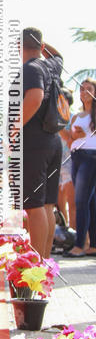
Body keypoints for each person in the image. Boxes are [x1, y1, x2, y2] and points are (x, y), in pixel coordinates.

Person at [21, 28, 64, 259]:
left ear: (20, 46)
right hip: (53, 141)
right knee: (46, 205)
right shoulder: (51, 65)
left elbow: (35, 96)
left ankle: (34, 268)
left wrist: (13, 127)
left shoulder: (31, 68)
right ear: (41, 45)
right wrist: (43, 45)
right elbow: (59, 56)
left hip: (34, 142)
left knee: (34, 205)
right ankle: (44, 263)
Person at [67, 78, 96, 257]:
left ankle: (79, 245)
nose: (84, 92)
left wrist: (84, 134)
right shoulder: (77, 116)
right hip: (76, 156)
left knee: (80, 201)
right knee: (91, 202)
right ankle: (93, 244)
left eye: (89, 88)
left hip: (90, 157)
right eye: (82, 89)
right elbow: (70, 139)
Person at [57, 89, 76, 232]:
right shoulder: (52, 118)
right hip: (56, 162)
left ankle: (74, 236)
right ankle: (63, 233)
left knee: (72, 202)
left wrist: (59, 124)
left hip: (70, 162)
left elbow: (70, 139)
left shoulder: (74, 119)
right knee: (58, 203)